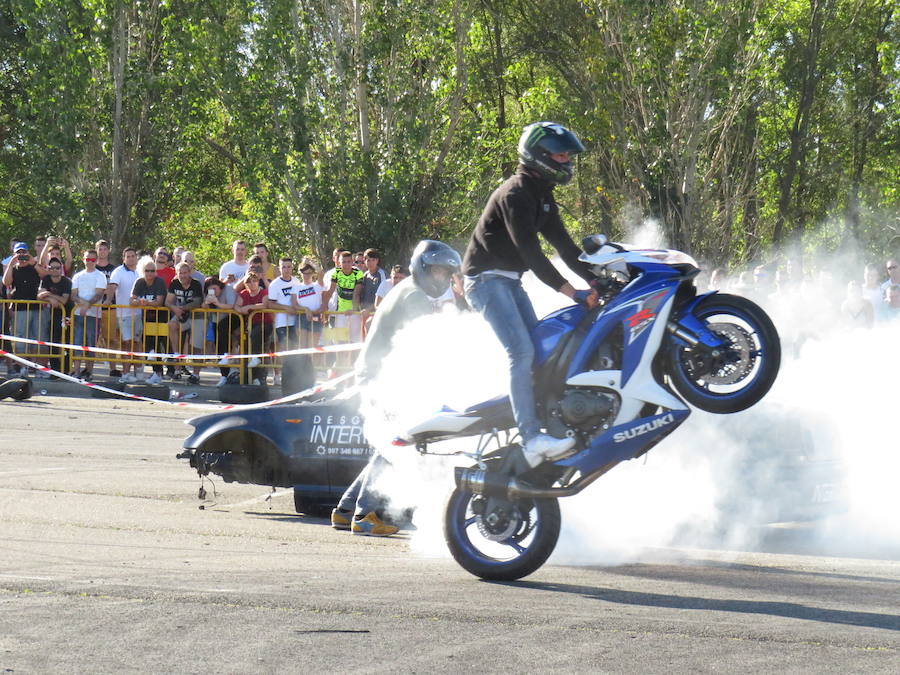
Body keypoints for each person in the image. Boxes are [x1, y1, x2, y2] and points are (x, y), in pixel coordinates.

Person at [462, 121, 597, 469]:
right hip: (486, 280)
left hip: (509, 280)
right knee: (521, 352)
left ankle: (548, 424)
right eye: (560, 153)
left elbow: (566, 249)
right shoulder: (515, 194)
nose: (567, 160)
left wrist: (599, 280)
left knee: (540, 351)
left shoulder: (541, 195)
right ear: (539, 155)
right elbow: (531, 253)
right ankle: (531, 437)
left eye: (568, 154)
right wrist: (573, 293)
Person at [332, 240, 462, 536]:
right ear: (423, 268)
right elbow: (427, 344)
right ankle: (365, 514)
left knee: (387, 444)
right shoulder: (414, 295)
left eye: (446, 272)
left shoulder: (408, 290)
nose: (442, 277)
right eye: (438, 271)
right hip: (383, 378)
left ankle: (345, 509)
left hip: (379, 375)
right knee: (397, 444)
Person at [69, 249, 108, 381]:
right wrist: (83, 304)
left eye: (92, 259)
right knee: (77, 341)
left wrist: (87, 305)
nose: (89, 262)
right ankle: (76, 370)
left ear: (96, 260)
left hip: (94, 315)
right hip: (78, 314)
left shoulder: (100, 276)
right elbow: (73, 295)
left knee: (91, 343)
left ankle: (89, 371)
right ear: (83, 260)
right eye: (87, 259)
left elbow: (99, 294)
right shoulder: (78, 276)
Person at [128, 255, 168, 383]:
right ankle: (156, 373)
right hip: (146, 318)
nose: (150, 273)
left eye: (152, 270)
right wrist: (140, 302)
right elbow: (131, 300)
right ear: (142, 271)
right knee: (147, 344)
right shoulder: (139, 282)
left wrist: (144, 303)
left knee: (158, 345)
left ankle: (160, 373)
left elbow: (159, 302)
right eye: (147, 271)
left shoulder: (159, 282)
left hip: (161, 317)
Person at [165, 262, 203, 382]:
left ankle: (196, 374)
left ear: (190, 273)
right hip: (181, 313)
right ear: (177, 273)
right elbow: (168, 301)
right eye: (180, 273)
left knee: (195, 345)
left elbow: (197, 302)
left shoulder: (195, 284)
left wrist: (182, 308)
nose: (182, 275)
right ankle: (177, 359)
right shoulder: (174, 283)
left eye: (185, 273)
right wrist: (175, 308)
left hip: (197, 315)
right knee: (171, 325)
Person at [107, 248, 141, 381]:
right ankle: (126, 373)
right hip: (124, 314)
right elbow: (112, 287)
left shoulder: (140, 271)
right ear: (124, 258)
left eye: (133, 256)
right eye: (128, 256)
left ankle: (138, 372)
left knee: (137, 343)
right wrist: (108, 300)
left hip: (139, 313)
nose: (131, 258)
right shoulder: (118, 271)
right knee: (127, 343)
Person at [234, 272, 273, 385]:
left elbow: (264, 305)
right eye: (249, 281)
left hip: (264, 324)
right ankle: (248, 377)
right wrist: (240, 309)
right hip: (250, 325)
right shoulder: (244, 294)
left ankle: (260, 377)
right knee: (246, 347)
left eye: (254, 280)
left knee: (260, 348)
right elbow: (236, 305)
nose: (252, 283)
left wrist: (249, 307)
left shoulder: (264, 292)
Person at [36, 256, 71, 376]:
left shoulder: (66, 281)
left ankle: (66, 370)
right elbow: (39, 295)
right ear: (49, 269)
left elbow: (64, 300)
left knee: (66, 342)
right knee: (53, 341)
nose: (55, 270)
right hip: (53, 315)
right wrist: (51, 298)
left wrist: (49, 294)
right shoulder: (46, 279)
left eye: (58, 268)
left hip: (67, 314)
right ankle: (55, 370)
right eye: (52, 268)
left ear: (61, 269)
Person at [292, 262, 325, 349]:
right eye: (304, 273)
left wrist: (311, 262)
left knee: (313, 347)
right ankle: (303, 363)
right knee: (302, 347)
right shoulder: (296, 287)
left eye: (309, 273)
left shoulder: (317, 285)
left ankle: (312, 363)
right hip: (302, 317)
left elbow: (321, 273)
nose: (307, 275)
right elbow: (294, 304)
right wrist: (306, 309)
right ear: (300, 273)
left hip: (316, 316)